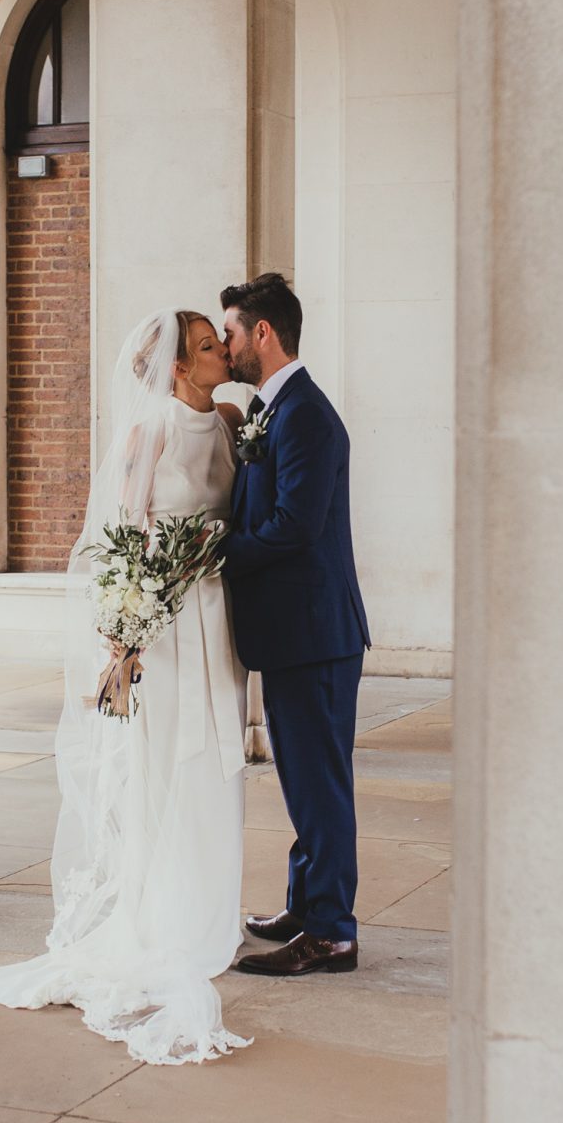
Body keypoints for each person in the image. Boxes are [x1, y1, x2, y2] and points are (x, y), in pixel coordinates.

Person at [0, 310, 252, 1065]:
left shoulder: (225, 420)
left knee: (214, 757)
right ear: (178, 368)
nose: (224, 352)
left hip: (215, 616)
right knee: (163, 765)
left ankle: (206, 909)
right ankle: (158, 916)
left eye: (220, 344)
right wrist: (128, 630)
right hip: (165, 622)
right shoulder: (145, 435)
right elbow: (119, 538)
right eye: (208, 348)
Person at [221, 273, 371, 977]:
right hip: (295, 633)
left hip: (314, 634)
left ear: (262, 333)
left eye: (230, 332)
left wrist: (213, 554)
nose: (225, 346)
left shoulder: (305, 415)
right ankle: (306, 906)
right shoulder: (272, 411)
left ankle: (333, 932)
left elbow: (293, 528)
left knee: (320, 784)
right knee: (305, 780)